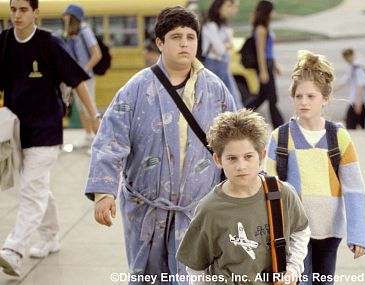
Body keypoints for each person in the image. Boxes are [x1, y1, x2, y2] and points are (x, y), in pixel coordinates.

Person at [84, 6, 236, 283]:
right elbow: (110, 140)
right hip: (145, 211)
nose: (185, 43)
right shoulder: (136, 88)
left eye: (191, 37)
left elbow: (233, 145)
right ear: (160, 43)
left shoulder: (216, 90)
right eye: (176, 37)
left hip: (198, 211)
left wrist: (239, 192)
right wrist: (103, 193)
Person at [0, 0, 98, 277]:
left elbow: (78, 80)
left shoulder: (48, 44)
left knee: (31, 189)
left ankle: (13, 250)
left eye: (23, 10)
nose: (17, 15)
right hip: (17, 131)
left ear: (36, 13)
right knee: (36, 187)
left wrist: (94, 118)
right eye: (13, 9)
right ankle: (51, 235)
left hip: (47, 129)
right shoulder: (4, 42)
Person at [265, 51, 365, 285]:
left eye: (311, 96)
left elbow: (354, 188)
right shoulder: (280, 137)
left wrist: (358, 234)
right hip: (294, 230)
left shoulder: (339, 137)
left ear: (325, 98)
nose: (304, 101)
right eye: (299, 96)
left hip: (330, 230)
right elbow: (267, 187)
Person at [176, 109, 310, 285]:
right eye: (232, 158)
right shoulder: (209, 209)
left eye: (248, 156)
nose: (241, 166)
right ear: (218, 160)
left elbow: (300, 231)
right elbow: (195, 268)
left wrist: (293, 269)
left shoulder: (281, 194)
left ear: (261, 156)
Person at [62, 4, 102, 149]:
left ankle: (99, 142)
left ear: (73, 17)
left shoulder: (85, 31)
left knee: (89, 108)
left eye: (66, 15)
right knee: (80, 108)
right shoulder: (72, 33)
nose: (64, 17)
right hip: (76, 78)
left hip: (86, 78)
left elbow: (97, 54)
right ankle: (88, 136)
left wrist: (83, 71)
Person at [245, 0, 284, 128]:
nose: (274, 13)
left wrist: (275, 65)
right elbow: (260, 52)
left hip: (269, 64)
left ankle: (243, 112)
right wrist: (263, 70)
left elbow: (269, 49)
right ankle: (280, 126)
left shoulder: (266, 27)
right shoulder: (261, 28)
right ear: (267, 11)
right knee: (272, 98)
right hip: (264, 65)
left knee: (263, 96)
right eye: (272, 10)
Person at [201, 0, 243, 109]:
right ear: (218, 7)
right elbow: (220, 49)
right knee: (215, 99)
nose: (231, 9)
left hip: (222, 64)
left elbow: (228, 46)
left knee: (232, 97)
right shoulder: (210, 25)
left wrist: (225, 45)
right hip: (213, 64)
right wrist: (226, 45)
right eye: (228, 6)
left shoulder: (223, 25)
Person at [333, 48, 365, 130]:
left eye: (348, 57)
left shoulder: (358, 68)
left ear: (352, 55)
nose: (347, 60)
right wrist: (330, 91)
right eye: (345, 58)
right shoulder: (352, 67)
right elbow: (344, 81)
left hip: (358, 101)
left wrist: (358, 102)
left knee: (352, 123)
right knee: (357, 124)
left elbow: (361, 85)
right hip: (356, 100)